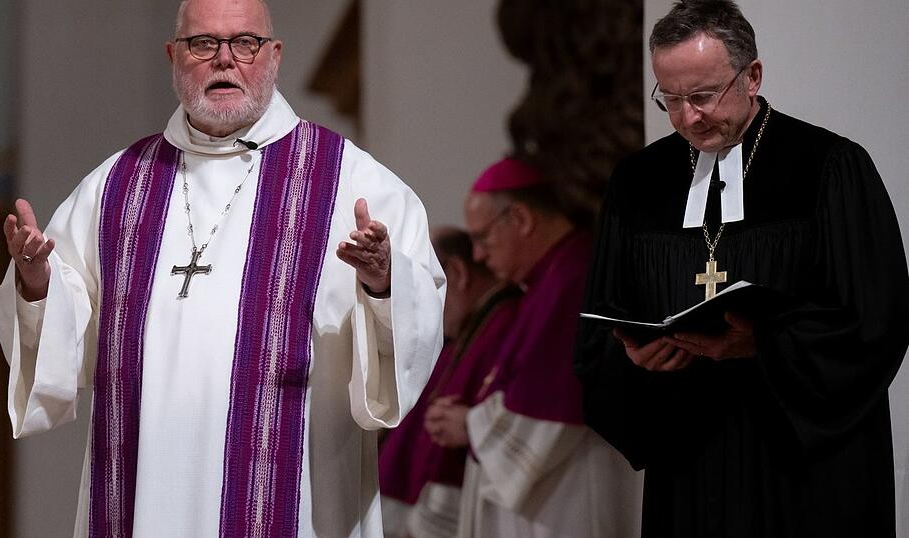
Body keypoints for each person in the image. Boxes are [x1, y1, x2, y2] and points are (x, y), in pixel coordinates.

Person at [0, 0, 445, 536]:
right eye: (203, 43)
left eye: (245, 43)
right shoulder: (115, 185)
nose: (224, 60)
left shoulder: (352, 183)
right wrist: (36, 283)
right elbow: (63, 334)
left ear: (273, 54)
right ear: (173, 56)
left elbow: (418, 328)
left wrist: (384, 282)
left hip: (296, 497)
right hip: (141, 491)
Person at [575, 1, 909, 537]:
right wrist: (633, 358)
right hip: (690, 459)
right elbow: (598, 330)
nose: (688, 117)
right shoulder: (637, 184)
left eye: (703, 96)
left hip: (802, 465)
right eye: (672, 100)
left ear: (752, 76)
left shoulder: (828, 166)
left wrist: (764, 343)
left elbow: (874, 320)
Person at [437, 158, 642, 537]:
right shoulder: (544, 282)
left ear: (520, 219)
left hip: (573, 487)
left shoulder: (571, 279)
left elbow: (548, 407)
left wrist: (470, 424)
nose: (479, 255)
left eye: (482, 238)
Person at [379, 227, 520, 538]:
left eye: (421, 291)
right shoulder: (467, 333)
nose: (415, 309)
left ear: (457, 272)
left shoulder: (502, 324)